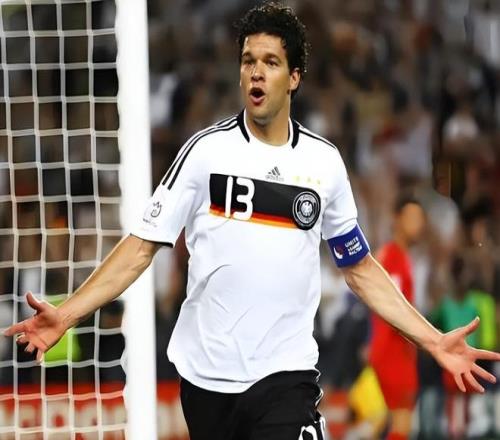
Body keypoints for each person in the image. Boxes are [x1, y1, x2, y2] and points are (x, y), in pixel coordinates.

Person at [4, 4, 500, 440]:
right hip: (207, 382)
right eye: (248, 61)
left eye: (270, 62)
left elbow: (360, 268)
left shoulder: (323, 164)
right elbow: (141, 247)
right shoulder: (206, 153)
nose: (256, 73)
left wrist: (433, 340)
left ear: (295, 77)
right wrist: (67, 314)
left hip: (286, 378)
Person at [369, 195, 425, 440]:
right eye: (412, 217)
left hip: (397, 351)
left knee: (390, 424)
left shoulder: (401, 256)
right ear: (397, 219)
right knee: (402, 422)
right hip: (393, 352)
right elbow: (392, 311)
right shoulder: (392, 257)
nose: (418, 224)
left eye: (420, 218)